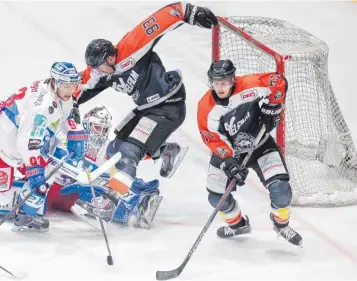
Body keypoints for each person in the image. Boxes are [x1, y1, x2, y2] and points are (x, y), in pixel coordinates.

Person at [73, 2, 217, 215]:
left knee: (129, 152)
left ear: (110, 57)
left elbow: (157, 22)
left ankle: (111, 201)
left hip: (168, 106)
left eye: (98, 67)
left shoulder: (131, 47)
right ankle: (165, 150)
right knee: (115, 148)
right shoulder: (101, 71)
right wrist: (70, 102)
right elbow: (79, 85)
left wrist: (189, 12)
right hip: (148, 109)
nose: (97, 72)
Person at [0, 62, 89, 233]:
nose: (71, 90)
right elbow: (27, 140)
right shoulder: (43, 107)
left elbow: (65, 114)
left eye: (74, 85)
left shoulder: (59, 92)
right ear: (55, 82)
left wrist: (75, 131)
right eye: (66, 86)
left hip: (19, 141)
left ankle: (25, 215)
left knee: (44, 177)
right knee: (1, 196)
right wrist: (34, 170)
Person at [197, 59, 303, 247]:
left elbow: (278, 81)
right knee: (216, 198)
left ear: (232, 80)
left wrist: (273, 107)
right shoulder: (206, 107)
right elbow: (212, 138)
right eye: (215, 82)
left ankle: (281, 225)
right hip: (230, 153)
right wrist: (229, 162)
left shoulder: (250, 86)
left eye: (224, 82)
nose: (219, 87)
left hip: (260, 145)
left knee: (281, 191)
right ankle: (238, 225)